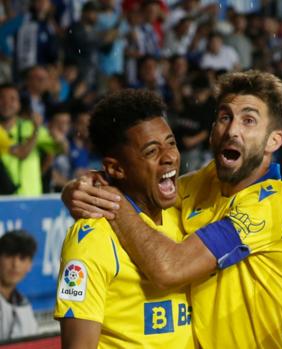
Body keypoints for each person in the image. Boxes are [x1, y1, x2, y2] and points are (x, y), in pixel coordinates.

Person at [62, 70, 282, 349]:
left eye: (249, 121)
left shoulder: (271, 205)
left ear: (274, 140)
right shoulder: (203, 183)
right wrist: (82, 187)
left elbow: (170, 267)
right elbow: (146, 187)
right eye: (225, 117)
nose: (233, 129)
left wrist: (111, 198)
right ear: (212, 130)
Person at [53, 89, 194, 348]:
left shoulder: (186, 215)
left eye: (171, 143)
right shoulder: (91, 240)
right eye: (152, 151)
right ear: (116, 168)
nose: (169, 157)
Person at [0, 230, 38, 340]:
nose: (15, 264)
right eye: (9, 256)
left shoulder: (24, 306)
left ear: (30, 265)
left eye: (22, 258)